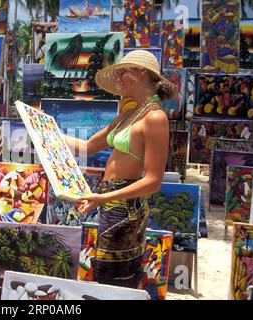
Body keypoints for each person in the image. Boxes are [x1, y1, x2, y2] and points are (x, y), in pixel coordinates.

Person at [65, 50, 177, 289]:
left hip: (125, 205)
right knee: (105, 275)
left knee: (115, 279)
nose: (118, 79)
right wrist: (45, 129)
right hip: (110, 201)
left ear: (141, 73)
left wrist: (103, 196)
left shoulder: (155, 118)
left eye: (122, 73)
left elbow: (153, 181)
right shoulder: (128, 115)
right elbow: (86, 146)